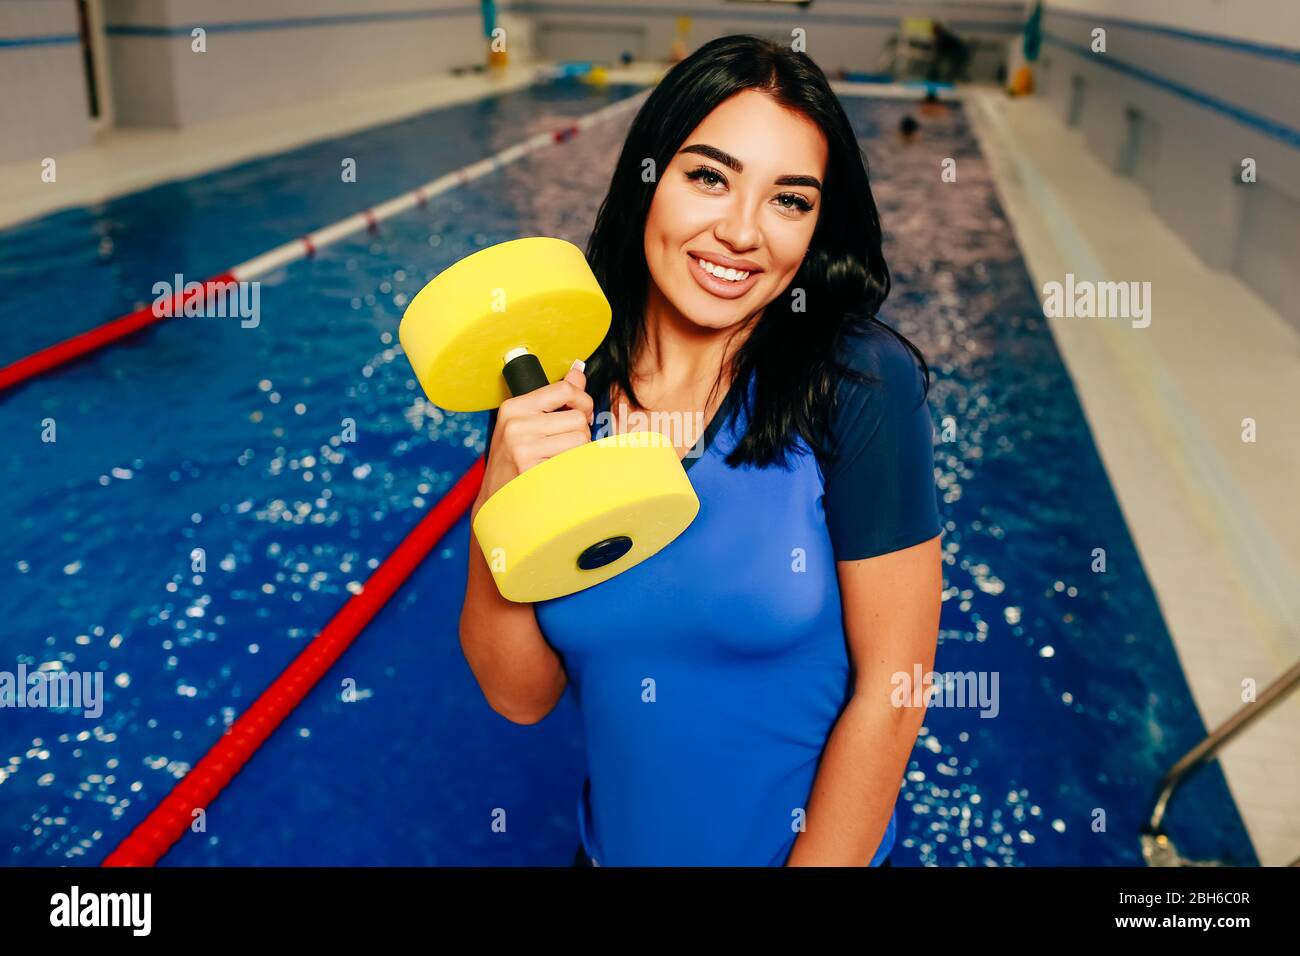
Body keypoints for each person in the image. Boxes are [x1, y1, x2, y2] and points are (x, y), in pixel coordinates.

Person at [460, 34, 943, 867]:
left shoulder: (857, 382)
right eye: (709, 177)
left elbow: (893, 697)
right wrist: (495, 507)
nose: (741, 233)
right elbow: (521, 696)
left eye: (789, 200)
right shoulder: (555, 383)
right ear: (649, 178)